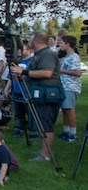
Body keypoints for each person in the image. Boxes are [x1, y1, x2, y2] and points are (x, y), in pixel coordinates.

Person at [9, 33, 63, 162]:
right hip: (39, 94)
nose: (30, 42)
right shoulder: (39, 54)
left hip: (47, 95)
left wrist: (24, 72)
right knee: (41, 124)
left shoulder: (47, 54)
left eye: (32, 40)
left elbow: (47, 73)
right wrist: (21, 76)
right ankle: (44, 150)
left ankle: (46, 155)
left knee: (46, 125)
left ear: (36, 40)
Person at [58, 35, 81, 142]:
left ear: (68, 44)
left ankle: (73, 134)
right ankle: (66, 131)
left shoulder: (74, 56)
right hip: (64, 86)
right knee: (65, 110)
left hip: (71, 87)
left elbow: (77, 72)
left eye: (62, 43)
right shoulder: (66, 57)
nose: (60, 45)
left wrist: (62, 71)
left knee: (70, 110)